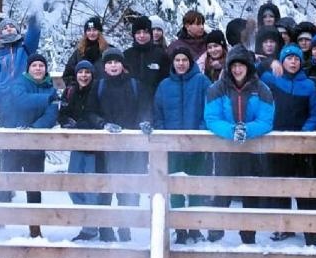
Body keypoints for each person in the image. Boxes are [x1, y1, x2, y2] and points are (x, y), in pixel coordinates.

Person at [204, 46, 275, 243]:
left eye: (241, 65)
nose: (237, 69)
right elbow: (211, 117)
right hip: (225, 149)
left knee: (249, 191)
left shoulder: (262, 89)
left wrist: (247, 130)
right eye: (233, 65)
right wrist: (231, 131)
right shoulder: (216, 88)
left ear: (248, 67)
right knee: (221, 191)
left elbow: (266, 120)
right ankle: (216, 231)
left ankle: (248, 235)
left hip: (251, 149)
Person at [260, 44, 316, 246]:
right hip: (277, 139)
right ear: (282, 61)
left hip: (302, 142)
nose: (293, 62)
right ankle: (283, 226)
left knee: (306, 189)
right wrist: (271, 61)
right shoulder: (271, 79)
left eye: (296, 59)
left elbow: (314, 113)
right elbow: (252, 67)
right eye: (289, 59)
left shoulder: (309, 85)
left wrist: (305, 133)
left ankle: (311, 231)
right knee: (280, 184)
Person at [153, 41, 212, 242]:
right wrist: (162, 134)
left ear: (190, 62)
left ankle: (194, 228)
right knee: (175, 188)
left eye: (184, 60)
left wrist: (202, 133)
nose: (180, 64)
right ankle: (179, 230)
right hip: (172, 146)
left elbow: (209, 110)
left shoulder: (202, 82)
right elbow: (158, 113)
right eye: (177, 60)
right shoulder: (164, 85)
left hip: (196, 144)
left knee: (195, 188)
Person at [0, 51, 59, 237]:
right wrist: (46, 99)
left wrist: (35, 129)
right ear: (29, 68)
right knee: (6, 182)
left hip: (35, 142)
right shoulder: (19, 83)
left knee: (34, 185)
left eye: (41, 65)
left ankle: (35, 227)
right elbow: (21, 102)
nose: (38, 68)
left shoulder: (50, 87)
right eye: (34, 65)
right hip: (15, 141)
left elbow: (52, 114)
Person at [94, 48, 146, 242]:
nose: (113, 66)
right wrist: (103, 124)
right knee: (104, 189)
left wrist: (143, 123)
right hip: (105, 148)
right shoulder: (98, 86)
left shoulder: (134, 85)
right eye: (109, 62)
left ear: (122, 65)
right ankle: (105, 229)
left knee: (127, 188)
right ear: (104, 66)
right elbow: (90, 111)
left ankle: (125, 228)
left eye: (116, 62)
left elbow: (144, 108)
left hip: (129, 148)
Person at [59, 60, 106, 240]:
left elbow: (97, 114)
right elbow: (62, 113)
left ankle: (90, 228)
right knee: (73, 185)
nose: (84, 76)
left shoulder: (97, 91)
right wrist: (66, 122)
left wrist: (81, 124)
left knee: (90, 187)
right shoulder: (70, 91)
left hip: (94, 146)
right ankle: (89, 220)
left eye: (87, 72)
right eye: (81, 72)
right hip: (77, 145)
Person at [0, 12, 42, 121]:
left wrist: (34, 16)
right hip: (5, 99)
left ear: (17, 30)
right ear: (1, 32)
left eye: (11, 26)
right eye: (5, 27)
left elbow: (34, 33)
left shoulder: (26, 47)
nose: (8, 29)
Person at [122, 16, 171, 113]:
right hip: (130, 106)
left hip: (154, 105)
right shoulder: (126, 55)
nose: (142, 35)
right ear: (134, 35)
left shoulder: (161, 55)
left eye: (145, 32)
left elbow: (166, 82)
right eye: (138, 32)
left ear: (150, 34)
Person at [62, 15, 109, 82]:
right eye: (89, 30)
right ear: (85, 33)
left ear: (99, 32)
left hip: (103, 90)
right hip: (84, 90)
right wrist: (75, 87)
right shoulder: (79, 53)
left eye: (94, 30)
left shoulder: (108, 51)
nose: (92, 33)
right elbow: (68, 75)